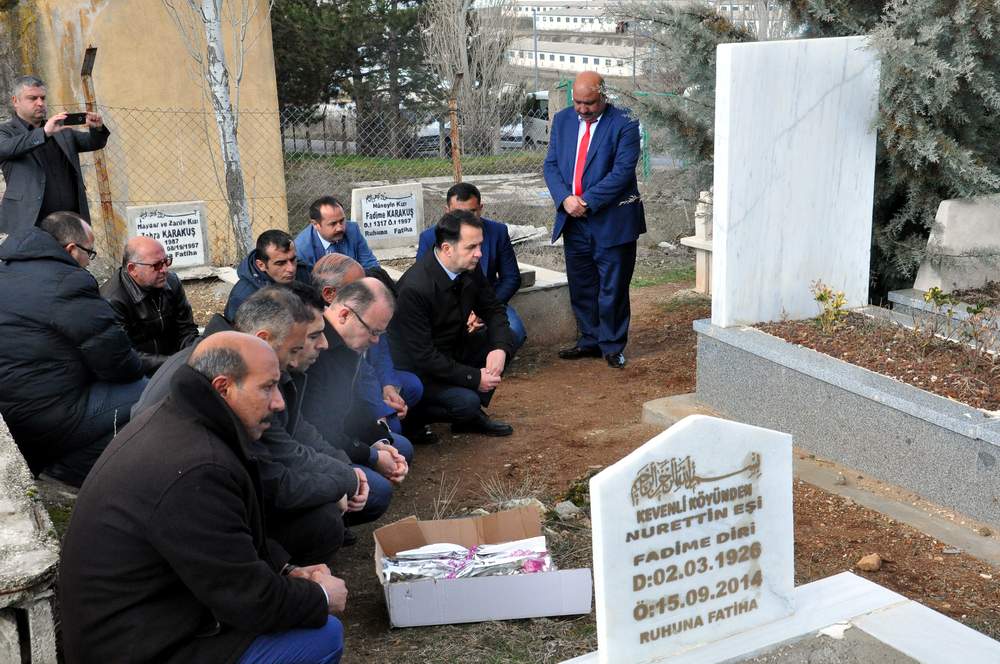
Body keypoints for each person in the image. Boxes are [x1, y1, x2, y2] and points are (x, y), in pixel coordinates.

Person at [59, 331, 348, 664]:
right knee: (321, 636)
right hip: (136, 649)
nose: (279, 402)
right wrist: (320, 595)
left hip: (147, 624)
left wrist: (286, 569)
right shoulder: (198, 467)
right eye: (267, 387)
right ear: (224, 388)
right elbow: (248, 599)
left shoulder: (181, 422)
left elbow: (229, 543)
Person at [133, 286, 364, 565]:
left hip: (202, 514)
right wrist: (339, 482)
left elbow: (290, 441)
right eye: (297, 346)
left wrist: (343, 472)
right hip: (183, 528)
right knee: (324, 521)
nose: (321, 346)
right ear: (264, 339)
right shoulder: (230, 384)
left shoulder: (226, 363)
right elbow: (268, 484)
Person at [0, 211, 145, 485]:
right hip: (45, 414)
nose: (89, 262)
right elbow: (118, 362)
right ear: (71, 249)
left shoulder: (6, 270)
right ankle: (74, 469)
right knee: (153, 391)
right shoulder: (68, 281)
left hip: (10, 411)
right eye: (90, 254)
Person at [543, 70, 646, 369]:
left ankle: (612, 346)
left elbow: (622, 172)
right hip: (572, 219)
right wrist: (565, 199)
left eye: (589, 103)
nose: (582, 109)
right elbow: (551, 165)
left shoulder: (625, 121)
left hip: (612, 219)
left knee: (613, 286)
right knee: (582, 284)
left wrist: (586, 202)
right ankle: (589, 340)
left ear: (603, 96)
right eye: (577, 102)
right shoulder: (563, 120)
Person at [389, 210, 517, 437]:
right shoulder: (415, 289)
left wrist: (499, 348)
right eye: (471, 247)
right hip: (420, 372)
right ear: (447, 249)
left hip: (453, 350)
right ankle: (416, 417)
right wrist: (474, 378)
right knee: (465, 402)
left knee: (508, 338)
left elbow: (494, 309)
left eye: (480, 245)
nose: (479, 254)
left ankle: (467, 414)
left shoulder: (468, 267)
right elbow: (423, 356)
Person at [301, 277, 409, 529]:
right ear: (345, 314)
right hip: (315, 446)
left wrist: (380, 440)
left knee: (399, 445)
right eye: (373, 332)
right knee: (378, 491)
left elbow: (352, 403)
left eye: (380, 334)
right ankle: (330, 527)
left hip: (333, 436)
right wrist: (370, 456)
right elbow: (318, 427)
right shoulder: (315, 351)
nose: (375, 341)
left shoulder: (348, 345)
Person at [312, 253, 432, 445]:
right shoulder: (321, 340)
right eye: (357, 288)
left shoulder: (368, 315)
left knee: (412, 387)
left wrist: (389, 386)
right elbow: (354, 387)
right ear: (329, 294)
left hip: (371, 386)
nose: (367, 292)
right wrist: (379, 415)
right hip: (344, 421)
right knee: (395, 439)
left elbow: (381, 355)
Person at [417, 182, 526, 350]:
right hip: (445, 308)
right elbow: (425, 283)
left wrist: (483, 311)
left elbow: (511, 278)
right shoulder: (430, 237)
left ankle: (491, 366)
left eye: (472, 212)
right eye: (457, 213)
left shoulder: (498, 232)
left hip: (488, 301)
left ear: (481, 208)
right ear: (447, 211)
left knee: (515, 331)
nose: (464, 219)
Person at [0, 75, 110, 233]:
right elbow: (5, 148)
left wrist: (97, 128)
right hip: (30, 223)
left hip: (70, 221)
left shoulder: (60, 129)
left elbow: (94, 143)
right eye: (32, 98)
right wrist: (44, 133)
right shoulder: (6, 131)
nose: (40, 103)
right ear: (15, 101)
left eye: (43, 98)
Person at [100, 236, 199, 375]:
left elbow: (186, 329)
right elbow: (127, 355)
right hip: (140, 372)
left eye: (166, 261)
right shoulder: (112, 300)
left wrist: (195, 355)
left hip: (175, 362)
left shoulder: (171, 282)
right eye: (157, 265)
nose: (164, 270)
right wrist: (175, 364)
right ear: (132, 269)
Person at [225, 229, 313, 320]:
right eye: (280, 263)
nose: (291, 269)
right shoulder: (243, 296)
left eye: (293, 259)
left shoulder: (302, 273)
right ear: (261, 265)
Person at [294, 195, 379, 270]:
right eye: (333, 224)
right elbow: (307, 283)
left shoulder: (352, 230)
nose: (340, 228)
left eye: (342, 221)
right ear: (315, 224)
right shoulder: (302, 248)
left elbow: (370, 265)